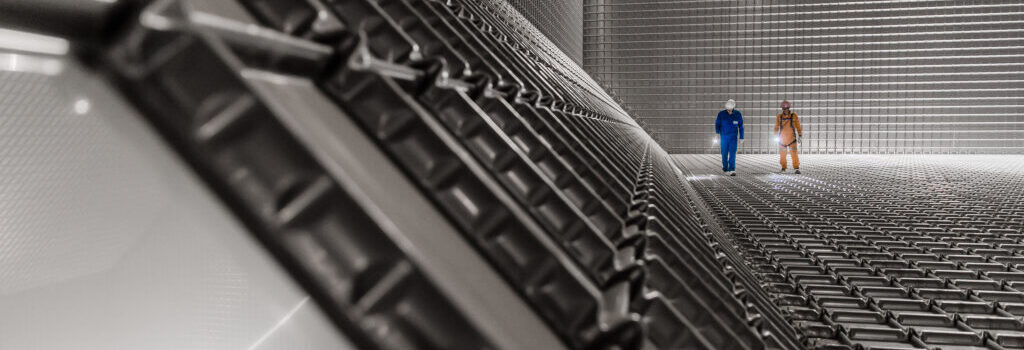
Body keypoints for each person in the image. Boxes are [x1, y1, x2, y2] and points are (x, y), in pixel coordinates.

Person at [715, 99, 744, 176]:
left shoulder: (737, 114)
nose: (729, 110)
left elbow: (741, 126)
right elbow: (717, 124)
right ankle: (725, 167)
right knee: (724, 153)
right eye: (728, 108)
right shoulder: (721, 114)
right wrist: (717, 133)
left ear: (733, 107)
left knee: (732, 153)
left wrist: (741, 137)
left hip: (733, 138)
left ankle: (732, 169)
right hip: (723, 137)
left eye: (730, 108)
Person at [773, 100, 803, 174]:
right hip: (782, 140)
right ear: (782, 109)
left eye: (786, 109)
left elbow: (798, 126)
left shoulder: (794, 116)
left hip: (792, 139)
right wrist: (775, 135)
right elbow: (776, 126)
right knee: (782, 155)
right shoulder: (779, 117)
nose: (785, 110)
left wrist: (800, 135)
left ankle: (796, 168)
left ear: (789, 108)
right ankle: (783, 168)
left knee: (794, 154)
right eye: (784, 109)